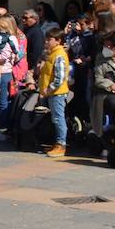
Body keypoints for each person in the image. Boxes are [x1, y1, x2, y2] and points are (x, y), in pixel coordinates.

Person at [36, 28, 70, 158]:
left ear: (58, 41)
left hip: (57, 93)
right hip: (52, 93)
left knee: (58, 118)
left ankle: (61, 145)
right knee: (55, 118)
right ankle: (57, 143)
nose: (47, 41)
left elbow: (59, 78)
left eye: (50, 39)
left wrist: (48, 89)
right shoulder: (52, 54)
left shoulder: (59, 54)